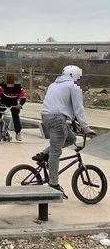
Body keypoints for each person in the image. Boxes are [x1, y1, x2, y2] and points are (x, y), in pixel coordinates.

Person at [34, 65, 95, 198]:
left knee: (71, 138)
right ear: (74, 76)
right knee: (56, 152)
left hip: (46, 116)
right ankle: (53, 184)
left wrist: (72, 120)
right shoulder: (73, 86)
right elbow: (79, 108)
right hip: (57, 119)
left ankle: (44, 154)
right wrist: (85, 128)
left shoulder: (53, 85)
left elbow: (60, 103)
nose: (79, 81)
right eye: (79, 78)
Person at [0, 73, 27, 141]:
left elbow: (23, 97)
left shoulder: (19, 87)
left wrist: (20, 105)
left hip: (14, 102)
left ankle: (18, 133)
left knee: (15, 116)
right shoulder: (2, 85)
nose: (9, 84)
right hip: (4, 100)